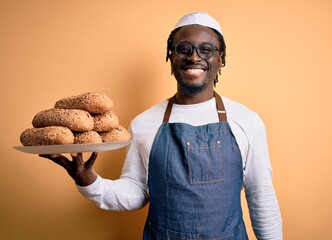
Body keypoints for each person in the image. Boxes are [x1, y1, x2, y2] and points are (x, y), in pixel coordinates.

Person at [40, 12, 283, 240]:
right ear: (170, 56)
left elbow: (261, 197)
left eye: (206, 49)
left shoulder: (247, 121)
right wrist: (90, 182)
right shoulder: (145, 123)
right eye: (183, 49)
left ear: (221, 59)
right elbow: (137, 192)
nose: (194, 57)